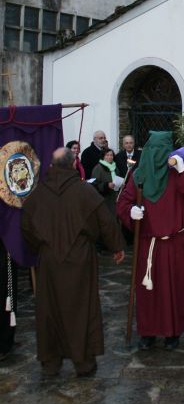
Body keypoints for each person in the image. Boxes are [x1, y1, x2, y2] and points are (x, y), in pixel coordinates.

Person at [20, 147, 125, 377]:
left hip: (49, 261)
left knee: (49, 308)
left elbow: (26, 225)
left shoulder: (38, 193)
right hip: (79, 259)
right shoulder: (84, 191)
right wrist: (116, 247)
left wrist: (39, 246)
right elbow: (106, 221)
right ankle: (83, 362)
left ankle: (51, 362)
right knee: (81, 308)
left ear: (52, 165)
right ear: (72, 164)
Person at [116, 132, 184, 351]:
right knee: (148, 293)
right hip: (148, 245)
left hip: (176, 243)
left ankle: (172, 332)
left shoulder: (177, 175)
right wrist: (131, 211)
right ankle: (147, 332)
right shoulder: (139, 175)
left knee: (175, 290)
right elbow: (122, 203)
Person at [92, 148, 124, 218]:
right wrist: (106, 185)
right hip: (104, 199)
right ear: (103, 157)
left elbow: (117, 179)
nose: (109, 157)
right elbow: (94, 185)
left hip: (115, 198)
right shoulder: (98, 168)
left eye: (111, 155)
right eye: (107, 155)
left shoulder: (115, 168)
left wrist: (121, 184)